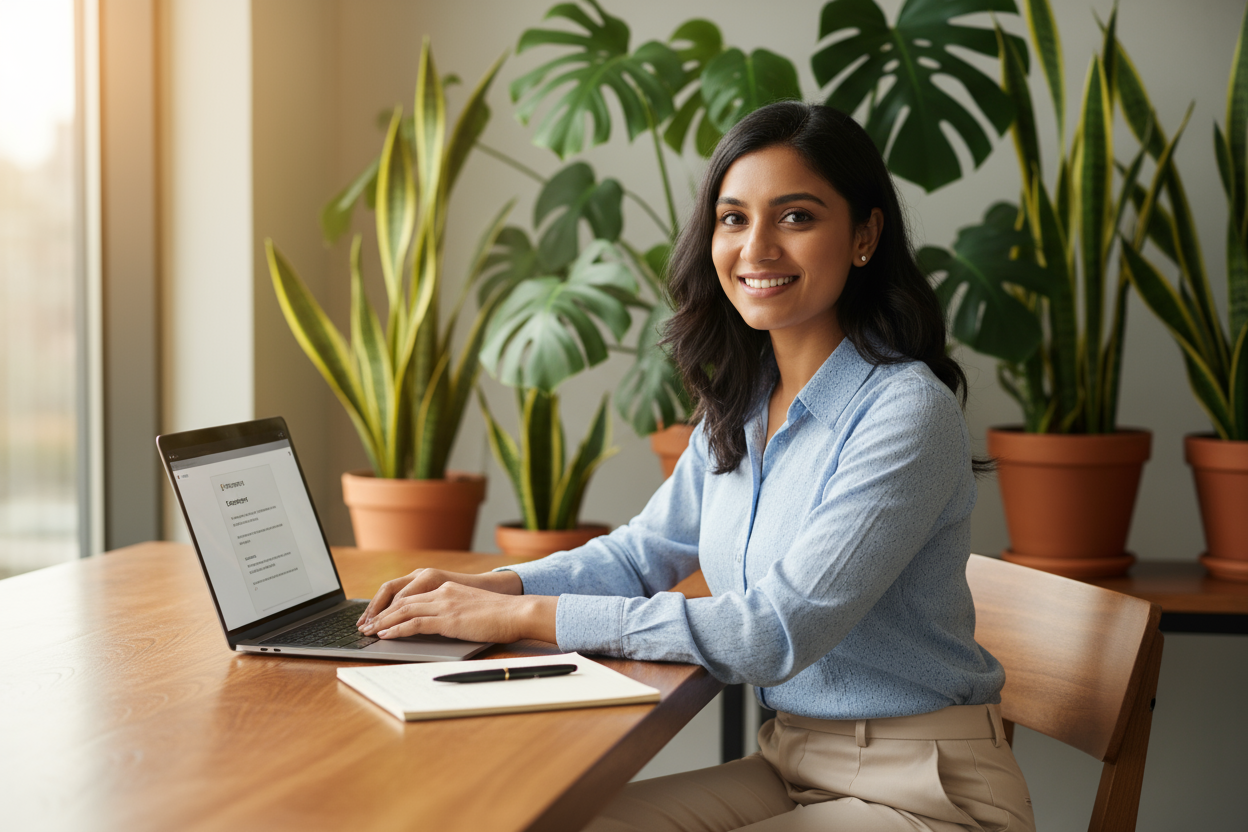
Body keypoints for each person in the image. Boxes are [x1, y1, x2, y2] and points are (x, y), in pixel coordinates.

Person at [355, 101, 1035, 832]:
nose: (757, 248)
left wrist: (522, 615)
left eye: (796, 217)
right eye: (733, 218)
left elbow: (773, 632)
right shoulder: (744, 402)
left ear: (865, 235)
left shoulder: (905, 412)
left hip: (926, 790)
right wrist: (491, 585)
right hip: (790, 764)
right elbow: (644, 550)